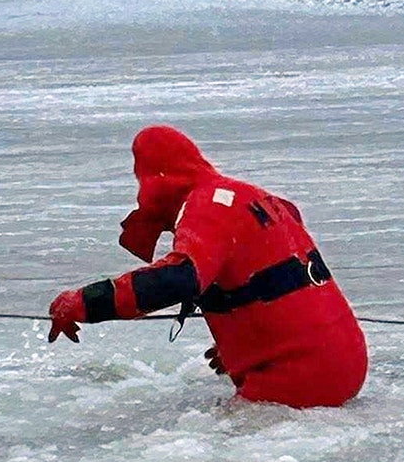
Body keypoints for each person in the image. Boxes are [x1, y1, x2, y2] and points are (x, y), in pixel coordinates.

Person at [47, 125, 368, 408]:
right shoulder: (254, 196)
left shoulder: (206, 205)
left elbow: (178, 279)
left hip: (298, 377)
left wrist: (84, 302)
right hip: (346, 361)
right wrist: (247, 339)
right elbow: (275, 276)